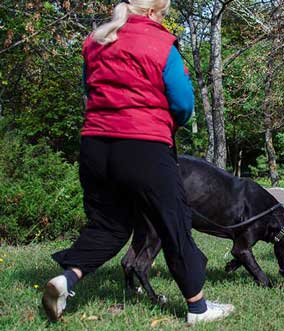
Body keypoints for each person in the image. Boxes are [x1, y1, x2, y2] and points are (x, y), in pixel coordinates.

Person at [42, 0, 234, 324]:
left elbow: (88, 91)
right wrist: (170, 123)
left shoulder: (96, 40)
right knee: (174, 224)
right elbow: (183, 101)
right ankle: (198, 308)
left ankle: (67, 279)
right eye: (162, 14)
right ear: (151, 12)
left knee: (109, 225)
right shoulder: (159, 42)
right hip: (144, 145)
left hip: (95, 146)